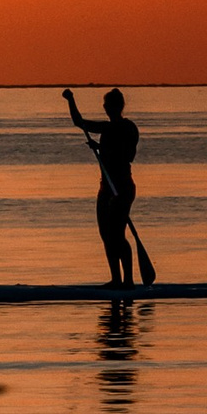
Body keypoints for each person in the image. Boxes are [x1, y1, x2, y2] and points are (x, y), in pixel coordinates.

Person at [66, 87, 140, 285]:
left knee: (118, 235)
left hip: (123, 188)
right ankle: (116, 279)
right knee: (107, 236)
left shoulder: (129, 128)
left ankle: (129, 281)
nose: (107, 109)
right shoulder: (107, 128)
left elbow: (128, 155)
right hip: (105, 189)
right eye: (106, 105)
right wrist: (70, 100)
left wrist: (104, 148)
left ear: (119, 107)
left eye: (111, 105)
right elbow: (79, 123)